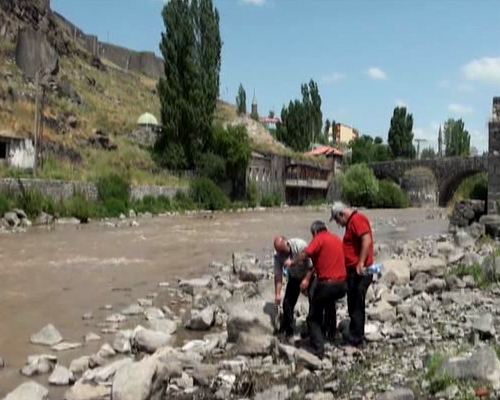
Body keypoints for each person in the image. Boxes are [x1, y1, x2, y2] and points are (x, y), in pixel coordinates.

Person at [285, 221, 346, 359]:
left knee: (313, 318)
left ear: (315, 232)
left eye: (312, 235)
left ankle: (318, 350)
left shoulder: (319, 238)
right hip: (342, 285)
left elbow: (306, 253)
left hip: (328, 284)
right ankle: (331, 333)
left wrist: (292, 262)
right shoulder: (336, 238)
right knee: (329, 304)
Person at [329, 201, 374, 350]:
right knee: (354, 303)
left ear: (341, 214)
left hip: (360, 272)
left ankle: (356, 340)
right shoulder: (352, 222)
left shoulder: (357, 220)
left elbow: (366, 240)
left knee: (356, 304)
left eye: (337, 220)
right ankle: (357, 335)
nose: (338, 224)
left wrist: (360, 262)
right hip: (354, 271)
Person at [273, 235, 312, 339]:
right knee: (287, 304)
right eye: (280, 252)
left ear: (287, 243)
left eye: (283, 251)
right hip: (294, 276)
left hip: (308, 274)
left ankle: (313, 328)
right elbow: (278, 275)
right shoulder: (278, 255)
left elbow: (312, 265)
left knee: (314, 301)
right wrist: (277, 294)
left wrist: (307, 279)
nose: (283, 254)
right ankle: (289, 330)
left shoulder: (300, 245)